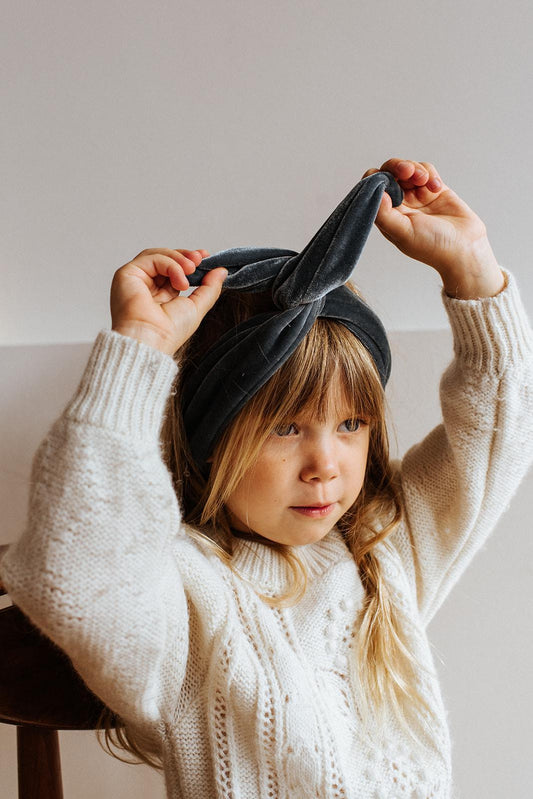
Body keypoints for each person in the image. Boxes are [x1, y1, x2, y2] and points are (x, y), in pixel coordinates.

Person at [1, 158, 532, 799]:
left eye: (351, 424)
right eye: (284, 429)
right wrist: (139, 345)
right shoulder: (179, 598)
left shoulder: (384, 549)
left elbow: (498, 433)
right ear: (210, 440)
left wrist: (471, 270)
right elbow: (75, 566)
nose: (326, 466)